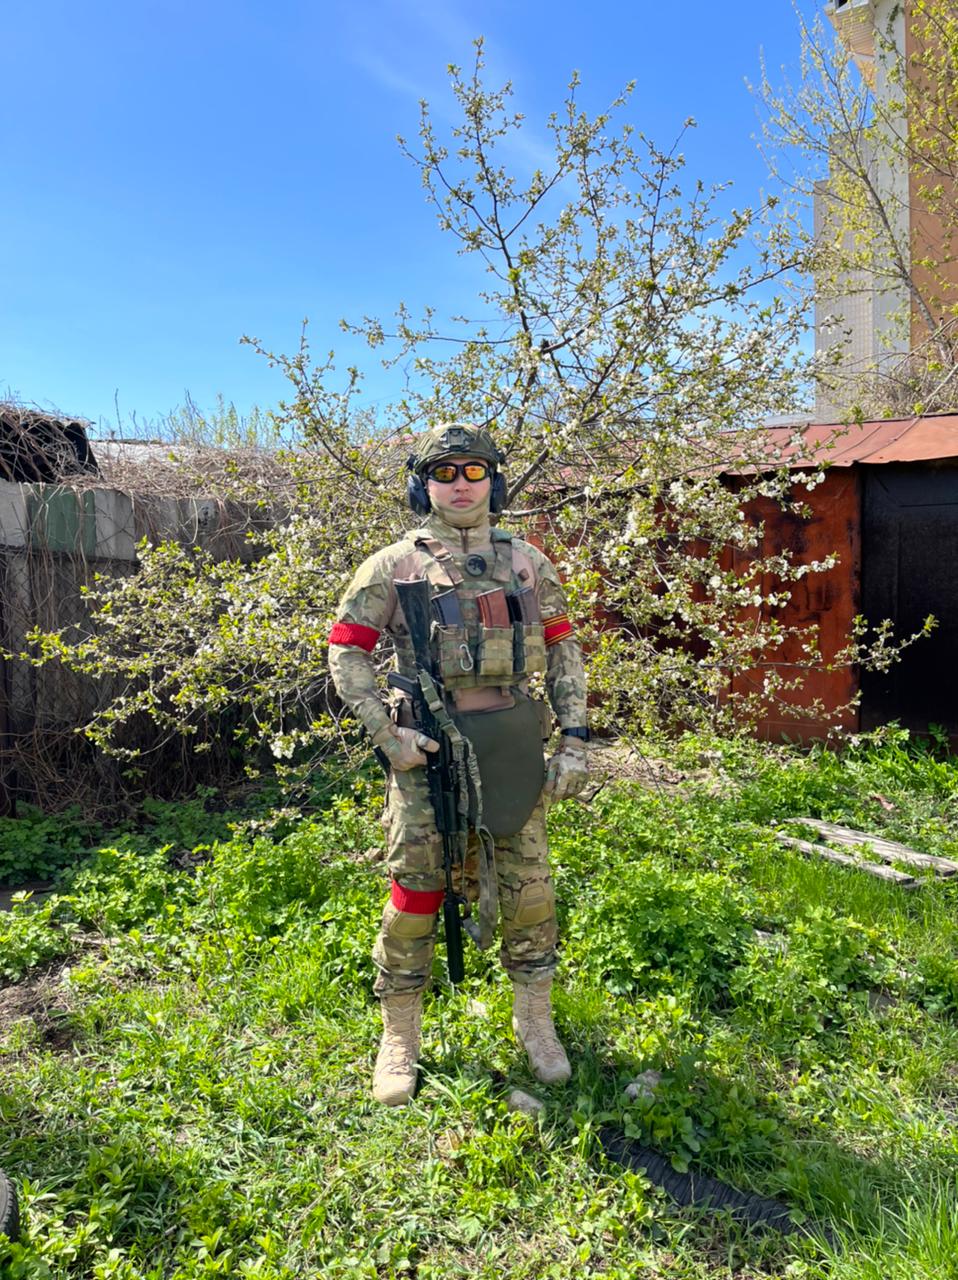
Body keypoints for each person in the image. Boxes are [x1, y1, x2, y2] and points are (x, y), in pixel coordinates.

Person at [327, 422, 589, 1105]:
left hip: (512, 745)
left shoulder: (528, 563)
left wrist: (575, 739)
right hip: (430, 755)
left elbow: (564, 651)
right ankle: (399, 1036)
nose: (461, 485)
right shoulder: (393, 566)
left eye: (475, 471)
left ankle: (535, 1022)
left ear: (493, 481)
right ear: (424, 486)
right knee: (416, 896)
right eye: (445, 473)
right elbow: (346, 649)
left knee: (530, 892)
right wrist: (388, 734)